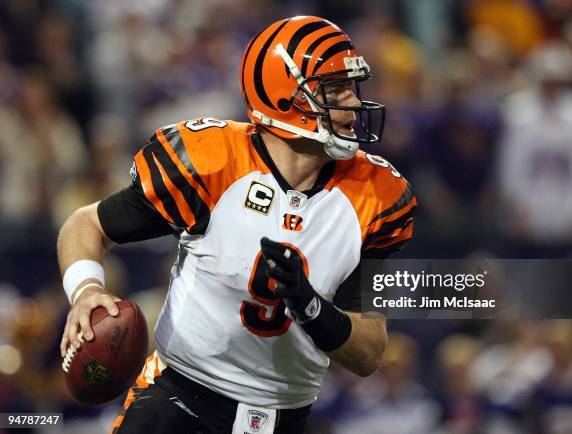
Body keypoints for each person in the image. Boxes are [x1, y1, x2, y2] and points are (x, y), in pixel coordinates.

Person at [57, 16, 416, 434]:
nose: (353, 104)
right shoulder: (212, 163)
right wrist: (86, 290)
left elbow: (370, 353)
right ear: (284, 96)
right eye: (334, 89)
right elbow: (86, 224)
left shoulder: (376, 196)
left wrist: (310, 304)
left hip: (287, 418)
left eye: (352, 89)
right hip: (177, 400)